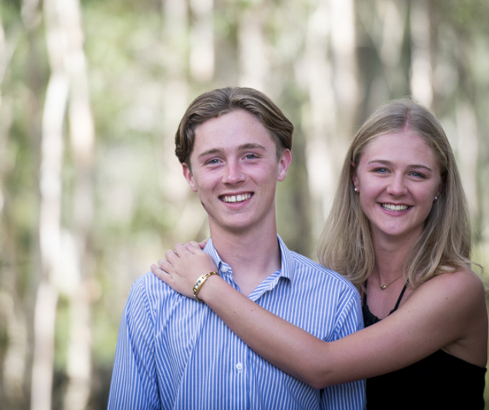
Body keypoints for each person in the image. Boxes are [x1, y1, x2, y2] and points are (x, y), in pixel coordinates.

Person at [152, 98, 488, 409]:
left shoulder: (457, 290)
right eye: (381, 170)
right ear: (356, 176)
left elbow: (322, 366)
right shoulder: (342, 284)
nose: (396, 187)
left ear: (440, 186)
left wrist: (206, 283)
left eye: (416, 174)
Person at [107, 87, 366, 409]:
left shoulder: (336, 298)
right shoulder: (150, 299)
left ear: (282, 163)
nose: (233, 176)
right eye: (214, 161)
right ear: (190, 175)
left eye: (250, 156)